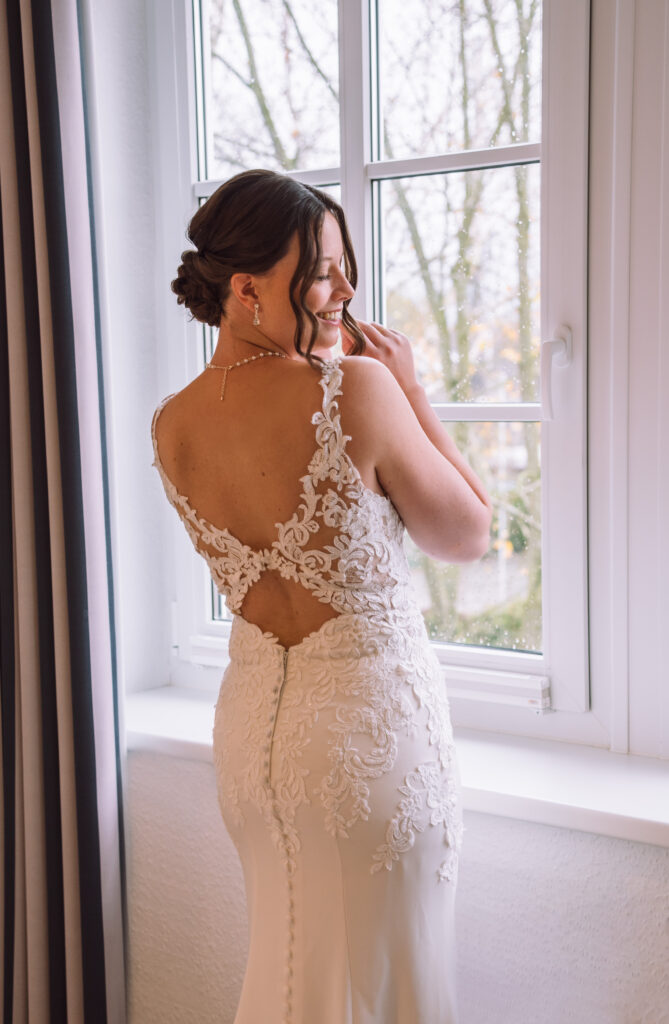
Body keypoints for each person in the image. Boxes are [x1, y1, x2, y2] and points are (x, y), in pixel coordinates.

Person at [151, 169, 492, 1024]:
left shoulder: (174, 423)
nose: (347, 290)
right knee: (384, 978)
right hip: (365, 745)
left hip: (253, 741)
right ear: (245, 287)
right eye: (324, 270)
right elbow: (467, 535)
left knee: (290, 967)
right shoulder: (354, 390)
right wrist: (412, 388)